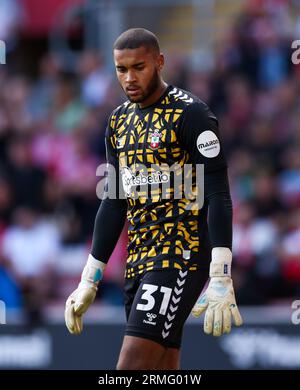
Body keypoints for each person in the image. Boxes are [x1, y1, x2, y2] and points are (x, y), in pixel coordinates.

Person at [65, 28, 243, 370]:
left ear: (159, 62)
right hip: (138, 259)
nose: (129, 78)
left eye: (139, 67)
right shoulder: (118, 121)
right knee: (161, 369)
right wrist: (90, 277)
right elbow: (114, 201)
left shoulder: (192, 114)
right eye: (121, 69)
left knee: (129, 369)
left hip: (181, 254)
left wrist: (221, 273)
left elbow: (218, 193)